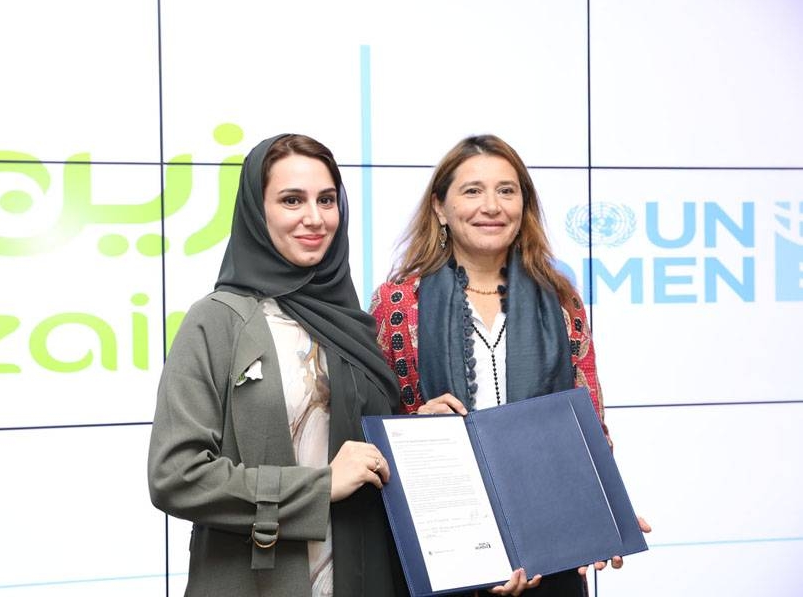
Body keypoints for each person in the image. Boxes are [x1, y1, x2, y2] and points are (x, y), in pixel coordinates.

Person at [370, 134, 649, 596]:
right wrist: (416, 424)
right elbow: (378, 432)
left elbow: (588, 427)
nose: (492, 206)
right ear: (440, 206)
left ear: (524, 205)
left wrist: (603, 515)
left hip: (553, 551)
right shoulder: (398, 303)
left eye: (507, 190)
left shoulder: (561, 300)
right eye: (472, 190)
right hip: (445, 552)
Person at [148, 134, 405, 596]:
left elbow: (366, 454)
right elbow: (175, 476)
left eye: (327, 200)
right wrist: (316, 488)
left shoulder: (353, 324)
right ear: (255, 210)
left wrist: (417, 431)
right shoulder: (217, 320)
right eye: (292, 200)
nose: (315, 218)